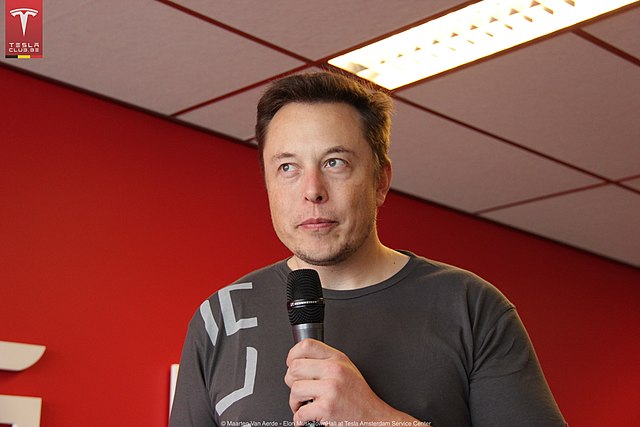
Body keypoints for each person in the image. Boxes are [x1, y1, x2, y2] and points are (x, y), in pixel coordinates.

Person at [170, 72, 567, 427]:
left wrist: (378, 421)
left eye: (335, 162)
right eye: (287, 167)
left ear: (380, 181)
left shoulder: (469, 306)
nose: (312, 191)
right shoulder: (221, 317)